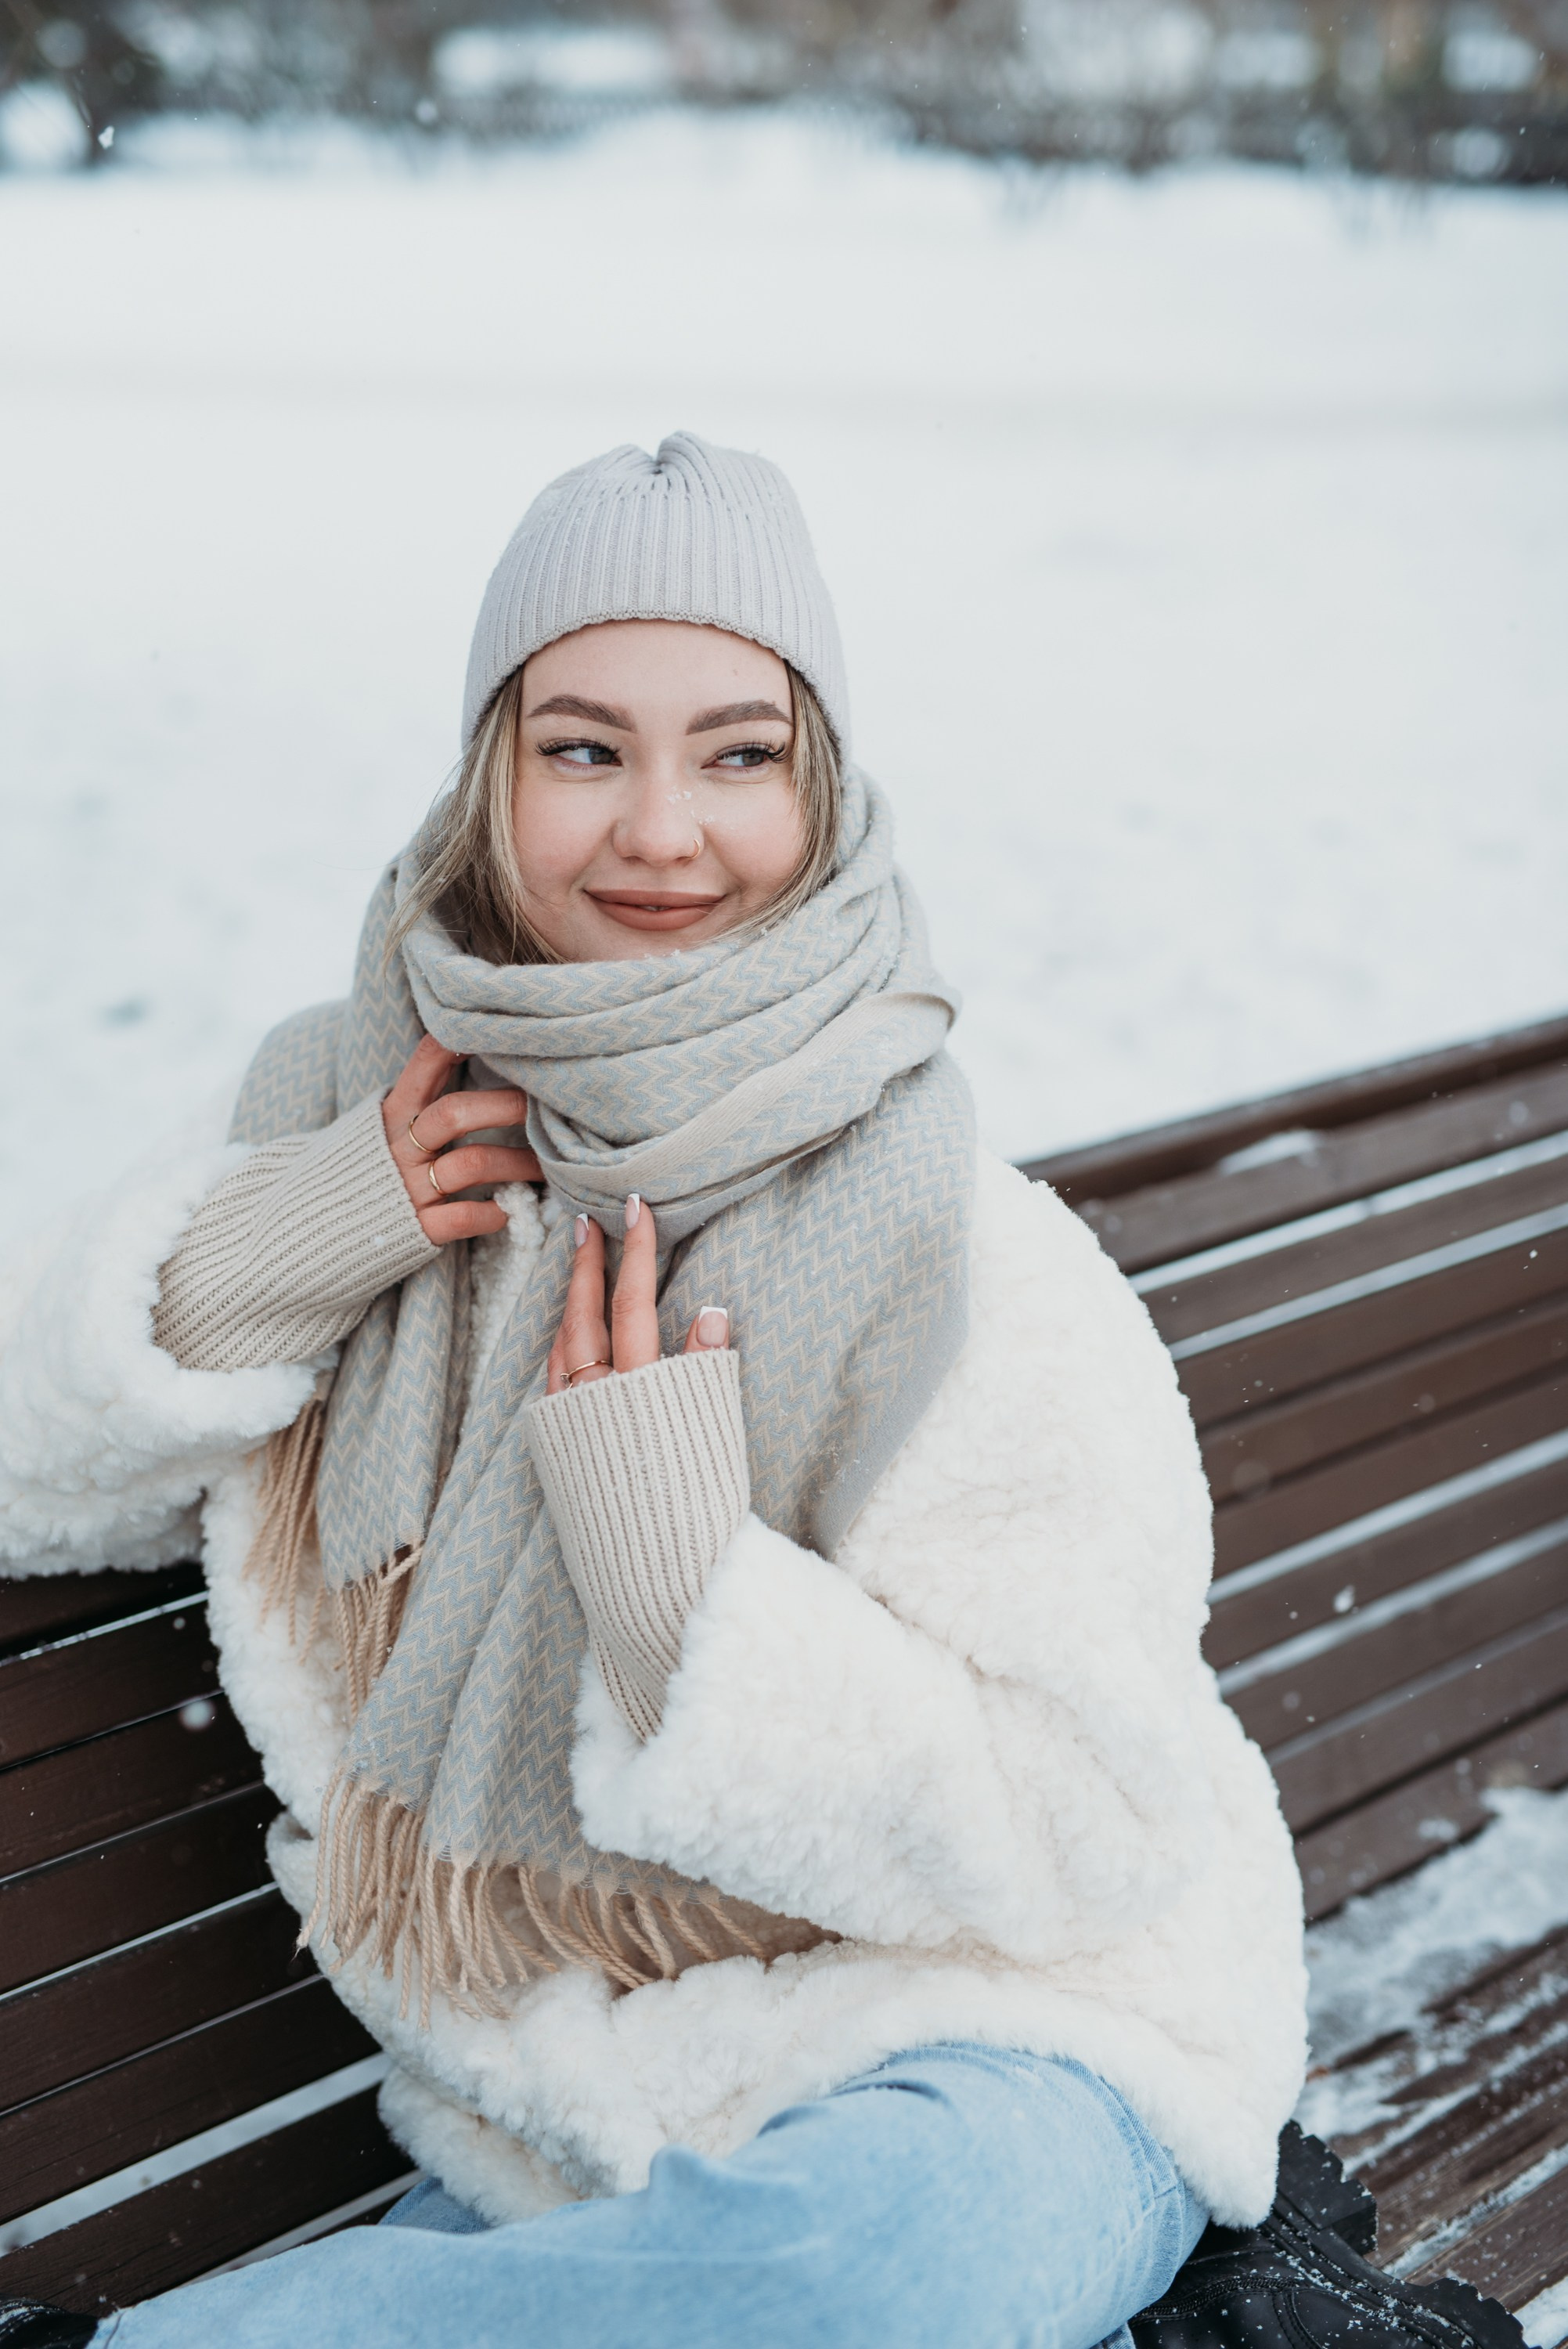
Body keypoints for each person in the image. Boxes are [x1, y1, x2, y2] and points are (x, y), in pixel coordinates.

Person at [0, 434, 1307, 2349]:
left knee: (872, 2276)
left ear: (823, 781)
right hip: (560, 2118)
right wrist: (262, 1257)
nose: (663, 833)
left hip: (1010, 2061)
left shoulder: (954, 1240)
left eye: (739, 752)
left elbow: (1089, 1825)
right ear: (493, 773)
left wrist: (688, 1596)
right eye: (586, 747)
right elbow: (30, 1469)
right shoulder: (350, 1102)